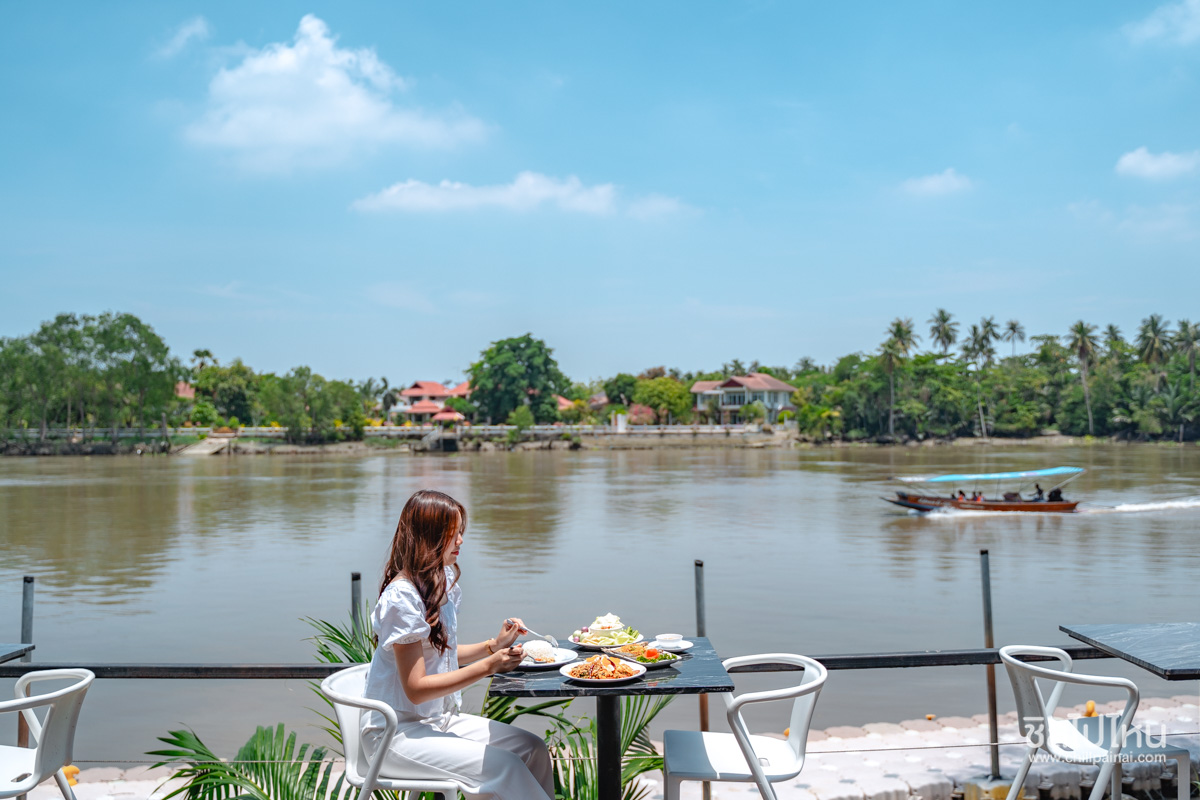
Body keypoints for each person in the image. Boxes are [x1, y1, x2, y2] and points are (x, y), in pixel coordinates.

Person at [361, 489, 554, 800]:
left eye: (460, 532)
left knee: (532, 749)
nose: (461, 541)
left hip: (436, 720)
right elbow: (417, 687)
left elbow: (442, 655)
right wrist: (489, 666)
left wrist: (493, 645)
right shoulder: (403, 597)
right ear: (429, 536)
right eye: (453, 534)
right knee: (505, 766)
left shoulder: (440, 581)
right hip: (395, 735)